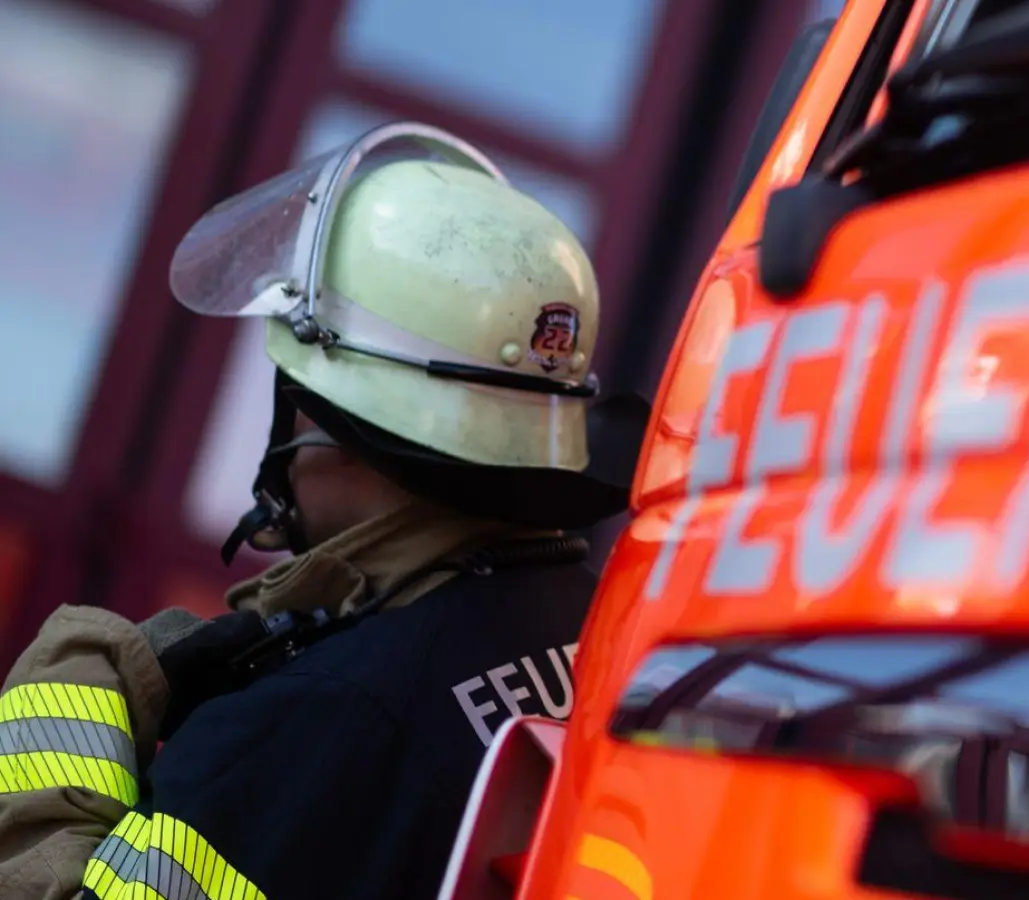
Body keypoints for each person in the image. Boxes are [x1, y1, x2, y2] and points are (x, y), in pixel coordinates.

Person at [0, 123, 646, 900]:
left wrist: (76, 681)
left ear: (336, 427)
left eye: (292, 397)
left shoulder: (321, 717)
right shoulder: (602, 618)